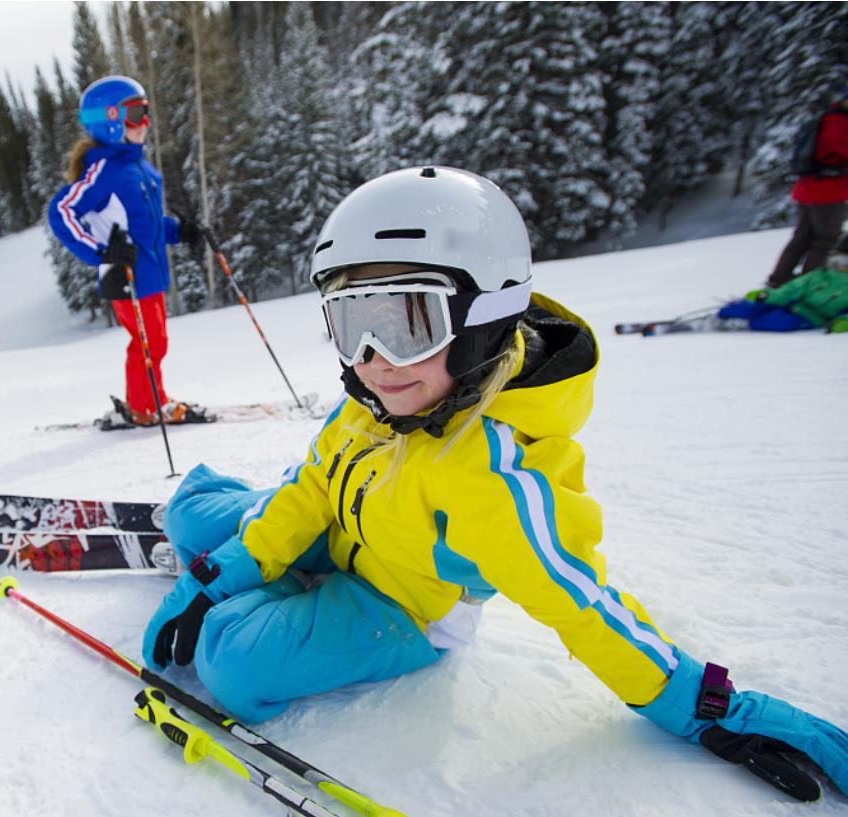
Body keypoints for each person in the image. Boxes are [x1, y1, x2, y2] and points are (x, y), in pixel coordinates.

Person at [141, 167, 847, 801]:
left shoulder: (495, 477)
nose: (376, 360)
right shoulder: (380, 397)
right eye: (353, 323)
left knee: (229, 660)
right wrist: (222, 571)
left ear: (484, 317)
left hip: (398, 604)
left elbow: (580, 602)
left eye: (409, 322)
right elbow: (313, 485)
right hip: (343, 533)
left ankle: (280, 586)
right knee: (195, 516)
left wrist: (706, 705)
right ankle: (248, 551)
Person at [48, 75, 203, 427]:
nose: (144, 122)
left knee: (154, 342)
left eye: (146, 112)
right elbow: (61, 211)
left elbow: (144, 226)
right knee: (148, 345)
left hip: (150, 271)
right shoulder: (102, 171)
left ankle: (150, 401)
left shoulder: (140, 168)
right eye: (135, 114)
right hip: (127, 275)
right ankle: (146, 408)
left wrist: (181, 230)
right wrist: (101, 252)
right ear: (111, 120)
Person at [766, 92, 848, 288]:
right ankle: (809, 283)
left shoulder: (827, 119)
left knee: (802, 237)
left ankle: (779, 278)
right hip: (828, 191)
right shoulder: (840, 124)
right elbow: (840, 151)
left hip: (808, 189)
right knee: (826, 239)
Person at [718, 262, 848, 333]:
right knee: (752, 306)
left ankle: (743, 325)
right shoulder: (820, 275)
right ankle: (718, 318)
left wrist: (843, 321)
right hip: (790, 302)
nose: (840, 265)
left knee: (780, 321)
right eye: (837, 259)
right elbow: (791, 289)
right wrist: (767, 295)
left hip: (811, 316)